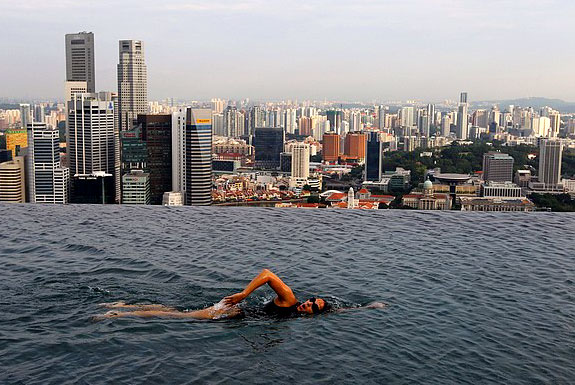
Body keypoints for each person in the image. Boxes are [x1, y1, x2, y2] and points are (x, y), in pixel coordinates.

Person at [98, 269, 329, 320]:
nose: (307, 304)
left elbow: (341, 310)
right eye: (310, 300)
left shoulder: (297, 316)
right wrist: (243, 294)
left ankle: (125, 306)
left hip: (236, 314)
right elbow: (267, 274)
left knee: (178, 313)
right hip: (234, 309)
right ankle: (118, 314)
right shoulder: (290, 299)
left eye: (312, 306)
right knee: (179, 317)